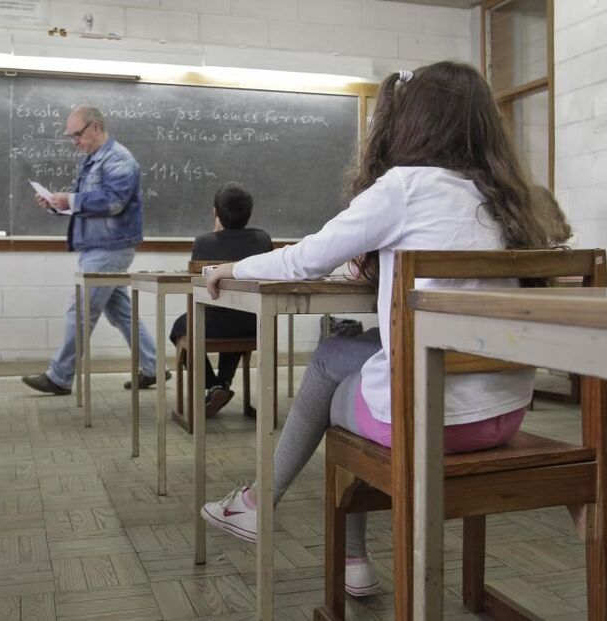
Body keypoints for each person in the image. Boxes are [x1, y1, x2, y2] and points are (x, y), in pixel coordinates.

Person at [197, 61, 569, 597]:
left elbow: (305, 259)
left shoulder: (405, 187)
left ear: (413, 121)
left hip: (434, 422)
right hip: (504, 413)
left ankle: (276, 512)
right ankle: (309, 534)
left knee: (331, 373)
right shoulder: (510, 198)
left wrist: (230, 267)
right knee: (348, 355)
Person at [22, 105, 166, 396]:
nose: (74, 141)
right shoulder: (94, 159)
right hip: (99, 246)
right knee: (122, 313)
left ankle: (60, 376)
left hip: (110, 248)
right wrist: (56, 205)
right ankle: (154, 367)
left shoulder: (119, 159)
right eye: (71, 136)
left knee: (80, 310)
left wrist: (71, 200)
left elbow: (114, 202)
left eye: (77, 134)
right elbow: (86, 205)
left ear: (96, 127)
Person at [169, 181, 272, 417]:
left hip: (214, 323)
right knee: (237, 315)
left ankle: (213, 384)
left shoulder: (204, 242)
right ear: (249, 212)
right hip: (254, 323)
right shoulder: (262, 239)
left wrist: (217, 234)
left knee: (179, 328)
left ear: (216, 213)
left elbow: (199, 288)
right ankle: (223, 383)